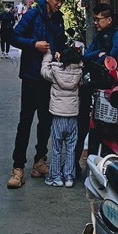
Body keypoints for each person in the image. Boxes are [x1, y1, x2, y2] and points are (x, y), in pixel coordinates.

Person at [6, 0, 67, 189]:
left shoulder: (58, 19)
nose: (59, 4)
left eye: (62, 1)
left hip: (49, 78)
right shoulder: (32, 15)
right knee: (25, 121)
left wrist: (59, 51)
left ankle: (40, 161)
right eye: (57, 0)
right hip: (32, 76)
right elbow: (14, 37)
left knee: (46, 121)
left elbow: (61, 40)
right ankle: (18, 168)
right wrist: (34, 44)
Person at [75, 3, 118, 178]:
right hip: (102, 83)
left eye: (98, 19)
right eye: (94, 19)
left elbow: (112, 59)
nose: (95, 23)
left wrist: (100, 55)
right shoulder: (101, 35)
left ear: (109, 20)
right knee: (92, 123)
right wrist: (99, 54)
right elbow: (88, 56)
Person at [40, 46, 83, 188]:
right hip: (72, 116)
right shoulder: (79, 72)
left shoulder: (55, 71)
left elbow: (43, 71)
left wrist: (48, 56)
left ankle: (56, 177)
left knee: (57, 148)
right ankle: (69, 177)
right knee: (71, 148)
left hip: (58, 116)